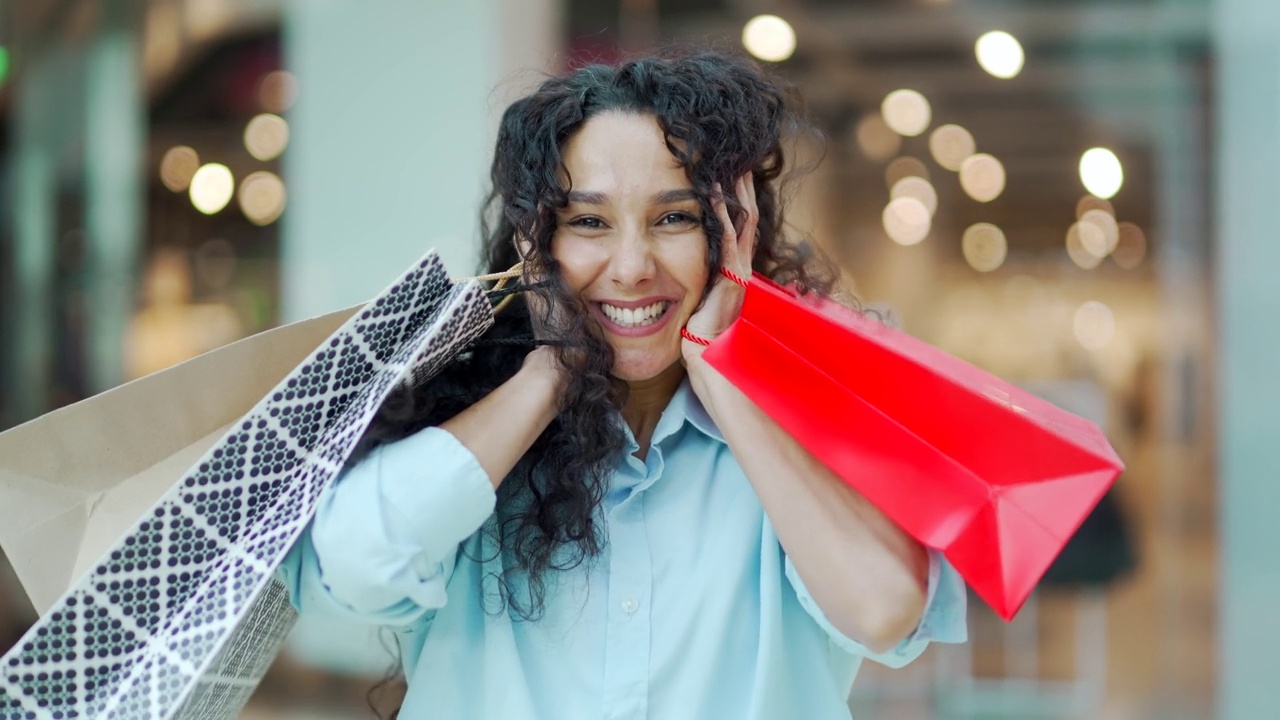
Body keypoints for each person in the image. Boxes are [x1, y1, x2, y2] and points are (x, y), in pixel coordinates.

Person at [279, 50, 967, 719]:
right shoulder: (473, 430)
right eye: (588, 222)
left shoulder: (811, 427)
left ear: (733, 237)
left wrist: (720, 372)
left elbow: (882, 612)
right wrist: (552, 369)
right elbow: (360, 563)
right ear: (535, 242)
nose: (632, 266)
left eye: (674, 218)